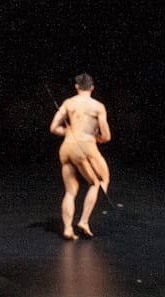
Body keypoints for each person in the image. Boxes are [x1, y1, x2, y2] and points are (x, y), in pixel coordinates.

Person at [50, 73, 112, 240]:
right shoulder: (98, 106)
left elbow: (54, 127)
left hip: (67, 147)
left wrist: (68, 131)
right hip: (85, 147)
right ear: (92, 88)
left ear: (76, 87)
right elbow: (106, 136)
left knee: (70, 190)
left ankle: (67, 229)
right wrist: (96, 137)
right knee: (96, 182)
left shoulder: (68, 103)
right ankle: (83, 221)